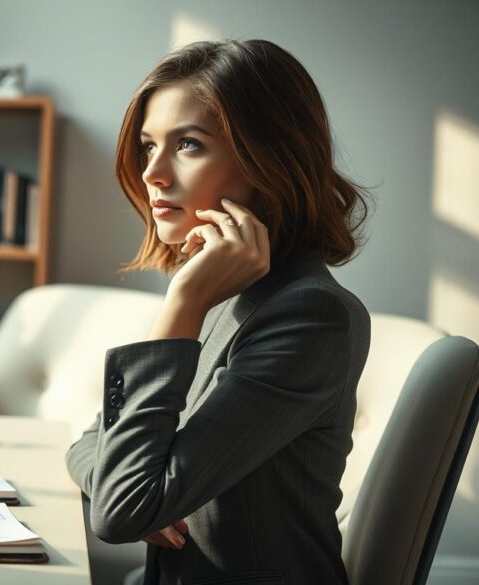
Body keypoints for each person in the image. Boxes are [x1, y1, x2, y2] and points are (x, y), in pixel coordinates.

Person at [65, 39, 374, 585]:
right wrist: (126, 484)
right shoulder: (223, 291)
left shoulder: (311, 316)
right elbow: (91, 443)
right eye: (147, 146)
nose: (153, 173)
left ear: (269, 160)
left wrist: (181, 300)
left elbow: (119, 511)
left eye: (188, 145)